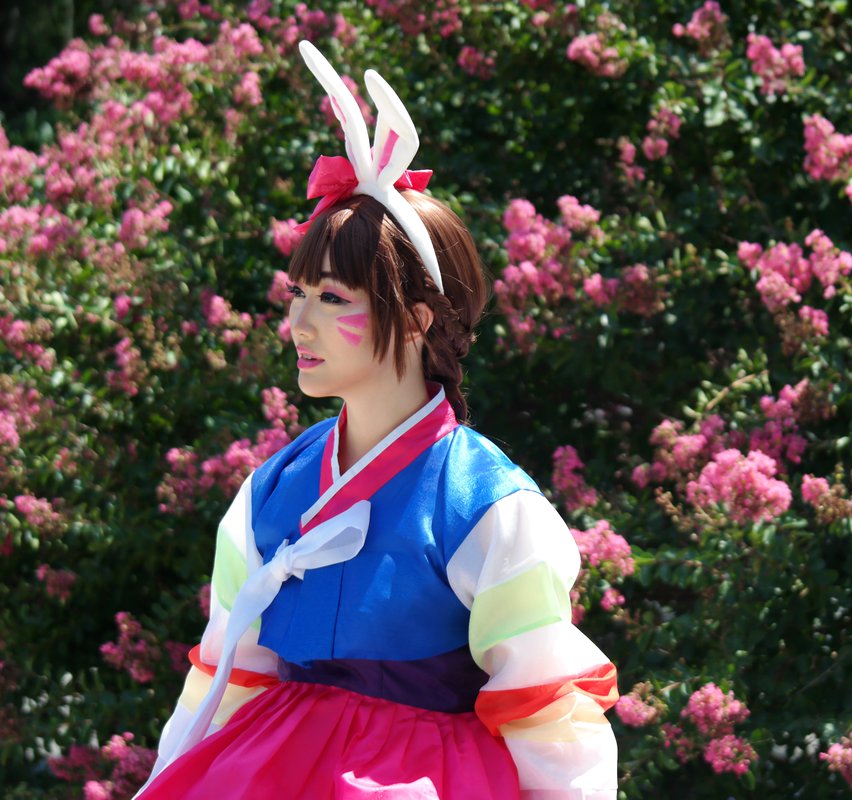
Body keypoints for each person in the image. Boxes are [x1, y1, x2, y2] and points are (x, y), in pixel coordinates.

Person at [135, 41, 618, 799]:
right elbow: (225, 682)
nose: (299, 323)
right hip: (268, 769)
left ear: (418, 317)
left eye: (332, 298)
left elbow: (548, 717)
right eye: (298, 295)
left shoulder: (487, 507)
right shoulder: (270, 493)